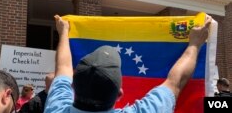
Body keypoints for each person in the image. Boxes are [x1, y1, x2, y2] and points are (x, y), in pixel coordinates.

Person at [44, 14, 212, 113]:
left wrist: (64, 32)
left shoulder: (56, 108)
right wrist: (195, 44)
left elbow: (63, 68)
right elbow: (175, 82)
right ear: (119, 94)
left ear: (73, 86)